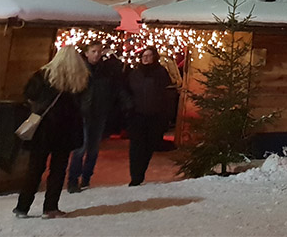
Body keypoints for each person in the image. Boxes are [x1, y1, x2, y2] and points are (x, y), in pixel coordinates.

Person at [13, 47, 87, 219]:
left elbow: (28, 94)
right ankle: (50, 208)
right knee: (58, 169)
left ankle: (22, 207)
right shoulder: (78, 80)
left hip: (43, 129)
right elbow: (82, 105)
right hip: (66, 130)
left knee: (34, 169)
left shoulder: (42, 74)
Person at [66, 42, 122, 193]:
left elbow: (112, 91)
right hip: (83, 114)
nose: (97, 54)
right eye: (93, 51)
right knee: (80, 148)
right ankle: (73, 180)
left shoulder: (105, 71)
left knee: (93, 148)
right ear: (87, 53)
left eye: (99, 51)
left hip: (99, 113)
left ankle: (86, 178)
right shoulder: (80, 71)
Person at [125, 46, 173, 186]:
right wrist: (129, 105)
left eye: (149, 56)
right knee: (136, 146)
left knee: (149, 146)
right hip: (137, 114)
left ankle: (141, 171)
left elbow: (165, 93)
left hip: (154, 115)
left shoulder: (160, 73)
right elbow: (127, 90)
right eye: (143, 56)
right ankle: (136, 176)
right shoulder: (135, 73)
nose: (145, 58)